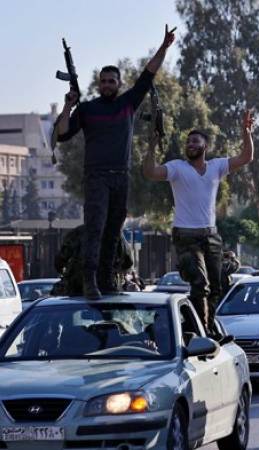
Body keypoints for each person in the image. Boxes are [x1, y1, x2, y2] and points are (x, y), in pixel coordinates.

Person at [56, 26, 177, 300]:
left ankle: (106, 278)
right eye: (104, 81)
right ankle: (89, 280)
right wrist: (68, 105)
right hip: (96, 176)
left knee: (113, 231)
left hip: (121, 177)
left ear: (119, 84)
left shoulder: (127, 104)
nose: (107, 85)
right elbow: (62, 134)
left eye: (112, 81)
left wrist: (164, 47)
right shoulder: (87, 109)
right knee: (95, 227)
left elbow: (148, 74)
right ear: (99, 85)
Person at [142, 112, 254, 337]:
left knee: (216, 286)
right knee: (200, 283)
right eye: (188, 141)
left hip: (211, 235)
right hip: (186, 235)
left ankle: (208, 328)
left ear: (205, 146)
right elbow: (150, 172)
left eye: (195, 141)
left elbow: (245, 157)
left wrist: (246, 132)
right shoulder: (177, 168)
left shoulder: (216, 166)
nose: (190, 144)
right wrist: (152, 146)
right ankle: (199, 334)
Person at [51, 225, 133, 296]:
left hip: (79, 285)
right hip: (107, 284)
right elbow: (128, 262)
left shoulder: (78, 232)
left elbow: (59, 261)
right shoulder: (115, 234)